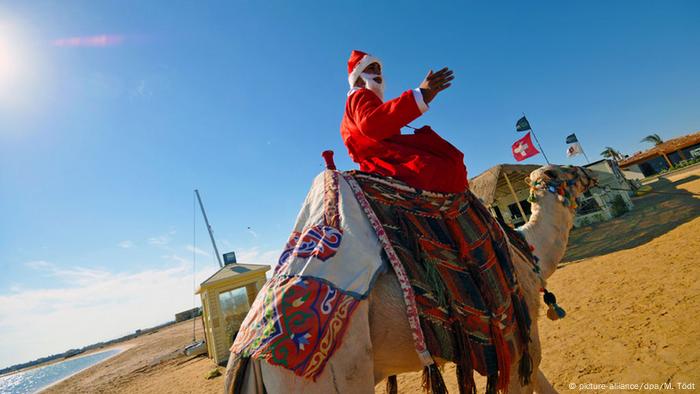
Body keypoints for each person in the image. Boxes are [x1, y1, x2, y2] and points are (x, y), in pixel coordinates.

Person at [340, 50, 468, 193]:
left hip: (381, 159)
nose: (377, 73)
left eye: (378, 69)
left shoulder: (357, 102)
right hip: (384, 161)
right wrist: (420, 96)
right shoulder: (360, 95)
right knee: (446, 167)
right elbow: (371, 125)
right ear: (357, 78)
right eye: (371, 68)